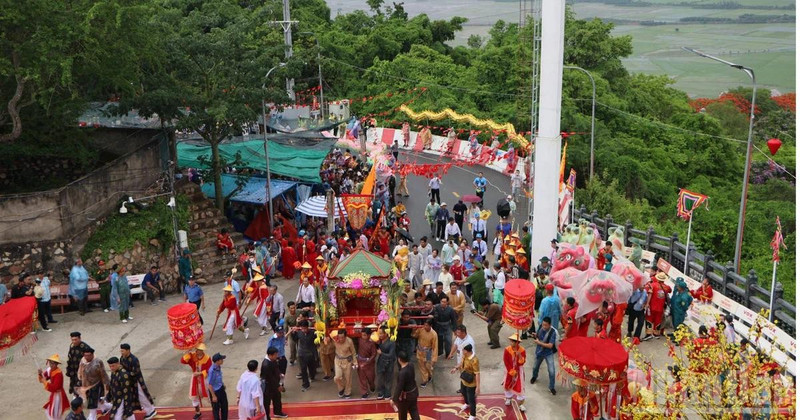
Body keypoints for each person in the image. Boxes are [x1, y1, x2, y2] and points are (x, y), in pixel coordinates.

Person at [119, 344, 157, 419]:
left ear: (128, 350)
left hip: (136, 381)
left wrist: (125, 374)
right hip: (128, 381)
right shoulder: (122, 358)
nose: (121, 352)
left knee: (142, 396)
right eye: (121, 351)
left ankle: (150, 410)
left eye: (123, 351)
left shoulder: (134, 360)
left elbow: (135, 372)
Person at [181, 343, 212, 419]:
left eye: (199, 350)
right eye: (197, 349)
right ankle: (198, 412)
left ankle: (215, 408)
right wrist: (187, 353)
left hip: (204, 379)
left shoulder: (207, 358)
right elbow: (183, 361)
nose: (197, 351)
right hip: (195, 379)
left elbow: (210, 370)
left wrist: (200, 373)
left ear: (202, 350)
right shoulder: (193, 356)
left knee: (209, 394)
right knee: (194, 396)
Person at [77, 347, 109, 420]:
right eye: (85, 355)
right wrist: (80, 381)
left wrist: (107, 384)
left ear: (92, 354)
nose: (87, 357)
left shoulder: (98, 362)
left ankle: (92, 417)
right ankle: (107, 408)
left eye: (89, 355)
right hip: (86, 385)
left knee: (93, 404)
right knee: (96, 401)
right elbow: (80, 371)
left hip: (96, 385)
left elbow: (103, 374)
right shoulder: (82, 361)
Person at [530, 317, 558, 395]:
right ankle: (534, 377)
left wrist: (539, 343)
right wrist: (535, 334)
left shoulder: (553, 332)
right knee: (535, 367)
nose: (544, 326)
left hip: (548, 353)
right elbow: (538, 335)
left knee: (551, 371)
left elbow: (550, 346)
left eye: (546, 325)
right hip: (539, 352)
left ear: (550, 325)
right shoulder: (540, 327)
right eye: (543, 325)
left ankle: (551, 387)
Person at [451, 344, 480, 420]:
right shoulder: (465, 355)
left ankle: (473, 415)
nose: (462, 351)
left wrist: (477, 387)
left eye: (463, 350)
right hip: (464, 378)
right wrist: (455, 368)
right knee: (463, 392)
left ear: (466, 351)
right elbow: (461, 363)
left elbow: (477, 374)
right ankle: (467, 403)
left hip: (471, 382)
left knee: (471, 399)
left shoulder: (475, 360)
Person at [39, 354, 69, 420]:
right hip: (54, 394)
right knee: (52, 411)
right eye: (50, 363)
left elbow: (55, 388)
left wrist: (44, 381)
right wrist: (40, 374)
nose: (51, 365)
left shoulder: (59, 374)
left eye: (53, 363)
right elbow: (43, 378)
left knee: (55, 413)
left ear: (56, 364)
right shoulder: (50, 369)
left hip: (58, 395)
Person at [391, 351, 420, 420]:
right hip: (414, 392)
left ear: (399, 359)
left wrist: (394, 399)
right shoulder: (411, 365)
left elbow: (399, 387)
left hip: (406, 397)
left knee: (402, 414)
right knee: (414, 410)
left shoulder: (402, 373)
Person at [643, 272, 672, 340]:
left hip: (651, 306)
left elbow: (648, 292)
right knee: (658, 320)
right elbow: (670, 290)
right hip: (660, 308)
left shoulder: (652, 285)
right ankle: (656, 334)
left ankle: (648, 334)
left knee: (649, 319)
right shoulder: (667, 287)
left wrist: (647, 304)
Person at [261, 347, 288, 419]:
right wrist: (278, 386)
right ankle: (267, 416)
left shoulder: (273, 360)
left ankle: (278, 412)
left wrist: (279, 374)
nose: (277, 356)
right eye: (275, 355)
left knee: (277, 398)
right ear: (270, 355)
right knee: (266, 402)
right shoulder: (266, 365)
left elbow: (276, 368)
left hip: (274, 383)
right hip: (268, 386)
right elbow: (270, 378)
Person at [503, 334, 527, 411]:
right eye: (510, 341)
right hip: (509, 370)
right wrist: (510, 370)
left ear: (517, 343)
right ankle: (508, 398)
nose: (510, 343)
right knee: (508, 384)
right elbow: (506, 361)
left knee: (519, 386)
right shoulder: (507, 349)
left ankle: (520, 404)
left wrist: (519, 355)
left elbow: (522, 363)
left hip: (519, 370)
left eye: (512, 342)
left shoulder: (522, 350)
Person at [332, 328, 356, 398]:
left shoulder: (349, 341)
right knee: (337, 377)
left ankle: (347, 391)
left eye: (342, 337)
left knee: (348, 378)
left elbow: (353, 352)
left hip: (347, 361)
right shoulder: (335, 339)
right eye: (339, 337)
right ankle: (341, 388)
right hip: (337, 360)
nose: (341, 339)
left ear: (345, 336)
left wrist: (355, 362)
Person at [67, 332, 92, 396]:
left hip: (82, 372)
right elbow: (70, 357)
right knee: (74, 386)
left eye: (75, 339)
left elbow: (90, 361)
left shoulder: (85, 348)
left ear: (80, 338)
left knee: (82, 387)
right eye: (72, 340)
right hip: (74, 370)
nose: (74, 341)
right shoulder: (72, 345)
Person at [376, 327, 396, 400]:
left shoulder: (391, 343)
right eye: (379, 333)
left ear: (386, 334)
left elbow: (391, 355)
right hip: (381, 362)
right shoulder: (379, 342)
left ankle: (388, 393)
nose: (380, 335)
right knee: (380, 379)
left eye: (381, 333)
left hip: (389, 363)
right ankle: (380, 392)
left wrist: (382, 353)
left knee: (388, 379)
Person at [356, 328, 377, 399]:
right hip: (360, 361)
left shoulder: (372, 343)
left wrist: (367, 362)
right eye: (362, 335)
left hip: (369, 363)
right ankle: (364, 392)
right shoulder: (359, 340)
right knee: (362, 378)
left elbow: (374, 354)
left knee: (371, 378)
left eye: (364, 335)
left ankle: (372, 386)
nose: (363, 337)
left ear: (369, 335)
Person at [207, 353, 228, 420]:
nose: (223, 360)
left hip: (221, 389)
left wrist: (222, 384)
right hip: (215, 391)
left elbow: (219, 377)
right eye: (221, 359)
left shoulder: (218, 367)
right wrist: (213, 396)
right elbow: (210, 384)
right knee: (216, 409)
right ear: (217, 361)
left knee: (224, 406)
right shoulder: (212, 371)